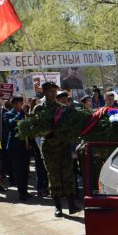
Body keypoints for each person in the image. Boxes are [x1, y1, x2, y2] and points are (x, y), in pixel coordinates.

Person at [34, 82, 78, 216]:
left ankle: (71, 204)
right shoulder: (39, 109)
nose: (53, 94)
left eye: (55, 91)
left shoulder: (63, 108)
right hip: (49, 146)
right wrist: (48, 130)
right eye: (50, 91)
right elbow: (35, 128)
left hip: (63, 145)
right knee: (53, 176)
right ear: (45, 92)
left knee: (68, 175)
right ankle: (57, 206)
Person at [4, 96, 31, 201]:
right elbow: (11, 124)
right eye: (19, 103)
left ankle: (25, 190)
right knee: (19, 171)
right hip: (14, 147)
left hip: (26, 146)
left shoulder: (25, 114)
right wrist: (21, 113)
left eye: (22, 103)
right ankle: (21, 193)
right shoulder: (8, 114)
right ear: (14, 104)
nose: (21, 105)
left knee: (25, 170)